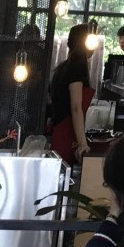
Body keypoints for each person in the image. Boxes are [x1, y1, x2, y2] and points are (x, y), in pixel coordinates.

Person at [48, 23, 97, 164]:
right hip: (66, 135)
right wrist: (82, 144)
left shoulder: (64, 67)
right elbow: (76, 107)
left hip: (60, 131)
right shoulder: (77, 67)